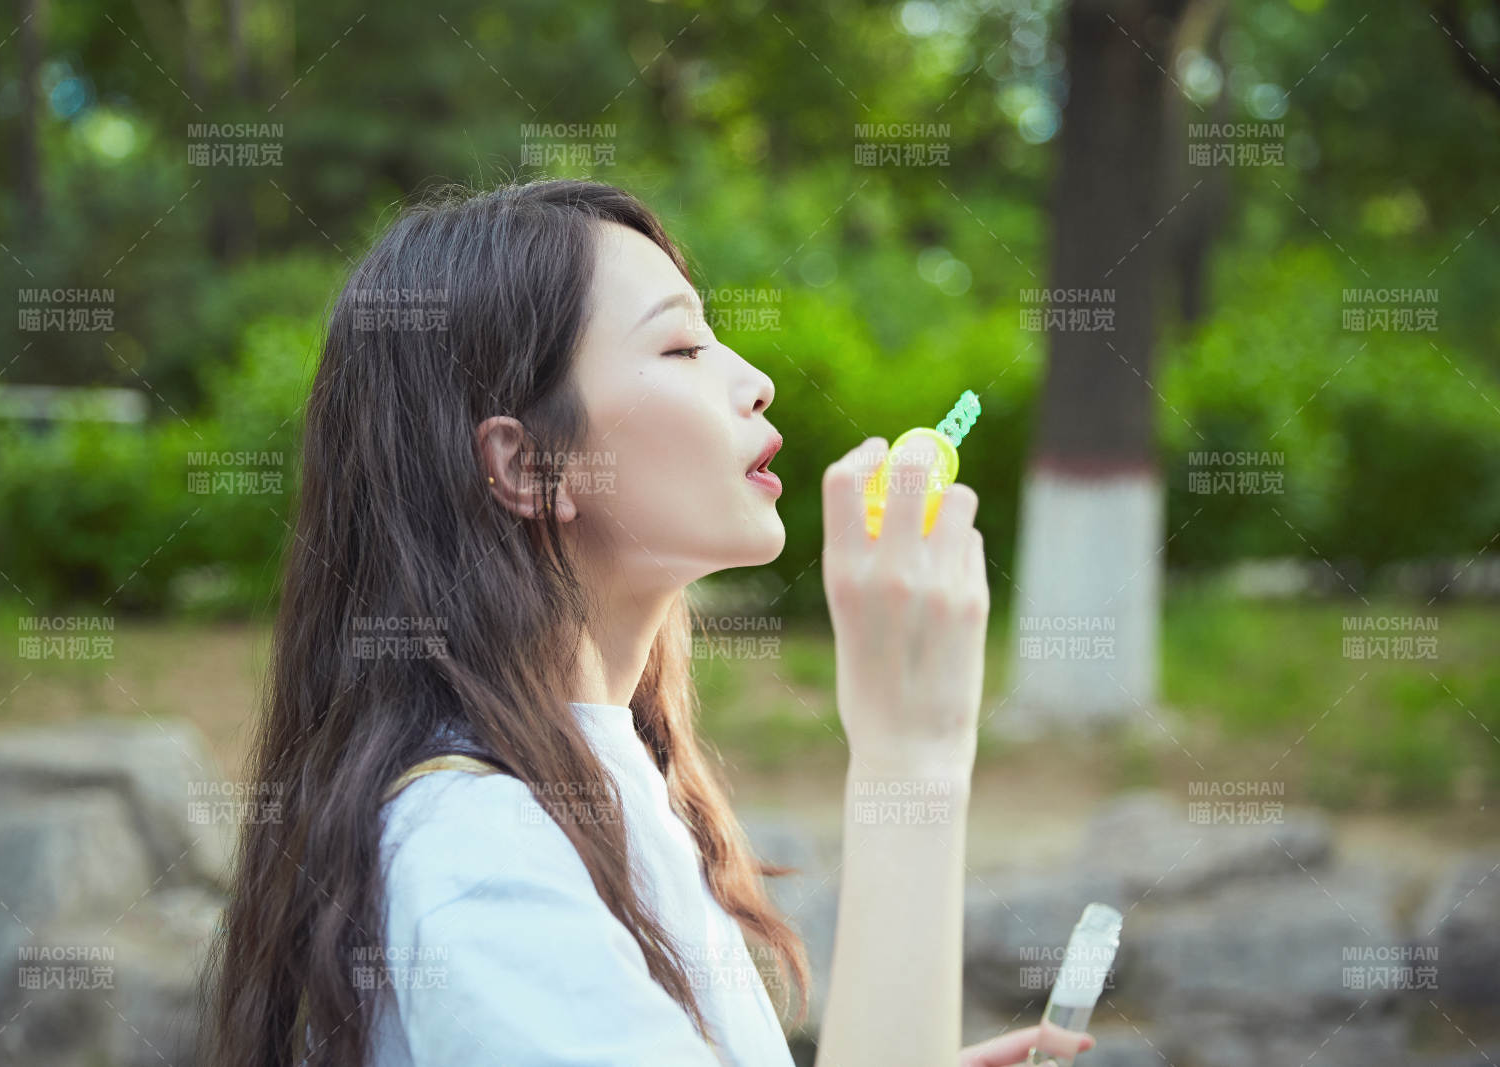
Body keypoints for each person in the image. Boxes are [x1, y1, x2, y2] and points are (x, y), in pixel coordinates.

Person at [199, 178, 1099, 1066]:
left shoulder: (605, 783)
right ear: (525, 464)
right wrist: (912, 754)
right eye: (680, 347)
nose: (755, 382)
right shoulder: (477, 854)